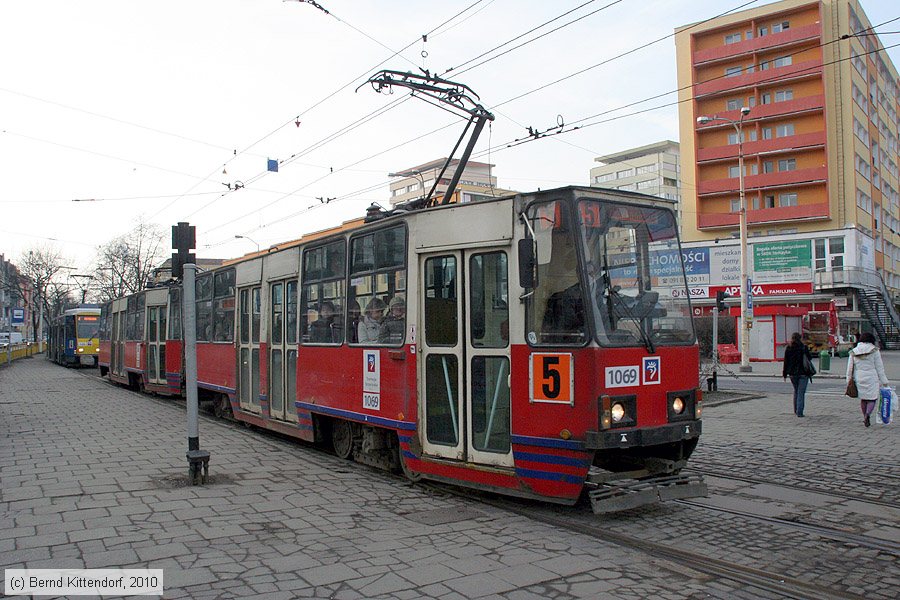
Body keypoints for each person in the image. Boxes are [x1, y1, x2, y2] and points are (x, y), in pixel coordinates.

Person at [846, 331, 889, 427]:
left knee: (863, 399)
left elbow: (850, 367)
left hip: (859, 377)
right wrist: (884, 381)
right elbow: (879, 367)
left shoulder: (854, 351)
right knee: (872, 398)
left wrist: (848, 379)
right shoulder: (875, 350)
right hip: (871, 377)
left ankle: (864, 415)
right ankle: (868, 414)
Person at [782, 332, 814, 417]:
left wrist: (784, 374)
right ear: (800, 338)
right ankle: (800, 412)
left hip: (792, 373)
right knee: (801, 392)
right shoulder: (803, 347)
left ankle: (796, 410)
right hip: (803, 373)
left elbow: (786, 362)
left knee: (796, 391)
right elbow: (809, 358)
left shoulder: (788, 348)